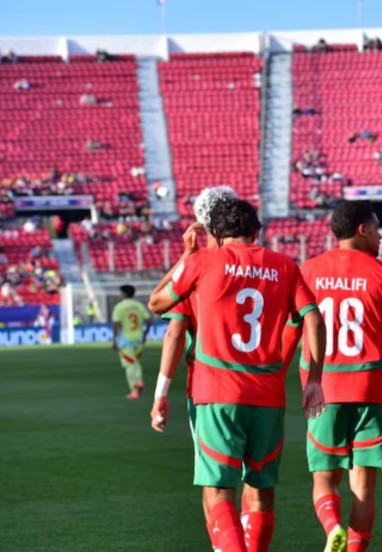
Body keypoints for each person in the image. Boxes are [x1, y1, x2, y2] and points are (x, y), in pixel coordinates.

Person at [147, 198, 328, 552]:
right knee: (260, 490)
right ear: (257, 231)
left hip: (217, 391)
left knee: (218, 490)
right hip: (268, 394)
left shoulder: (202, 261)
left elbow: (157, 303)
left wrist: (186, 256)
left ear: (214, 233)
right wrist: (315, 379)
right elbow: (314, 319)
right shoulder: (285, 265)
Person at [294, 200, 382, 552]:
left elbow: (294, 328)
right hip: (371, 388)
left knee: (325, 479)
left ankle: (332, 528)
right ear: (362, 230)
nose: (380, 237)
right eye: (377, 229)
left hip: (323, 390)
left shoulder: (309, 270)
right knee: (363, 484)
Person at [150, 185, 238, 552]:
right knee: (256, 484)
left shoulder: (198, 269)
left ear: (205, 225)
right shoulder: (269, 263)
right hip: (261, 386)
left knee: (215, 484)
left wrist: (159, 396)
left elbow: (171, 328)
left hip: (208, 387)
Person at [112, 284, 152, 399]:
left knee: (129, 364)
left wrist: (114, 340)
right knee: (136, 362)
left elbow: (115, 324)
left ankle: (134, 389)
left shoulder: (119, 307)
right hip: (138, 338)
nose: (119, 295)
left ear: (124, 294)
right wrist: (145, 334)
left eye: (120, 293)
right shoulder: (139, 306)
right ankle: (139, 380)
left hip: (125, 340)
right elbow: (148, 321)